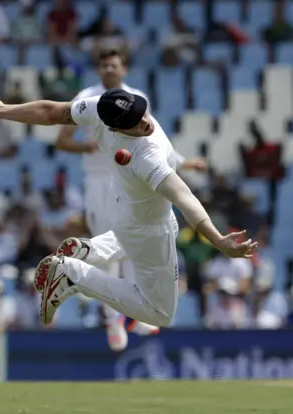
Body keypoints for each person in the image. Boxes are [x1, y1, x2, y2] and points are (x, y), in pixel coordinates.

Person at [0, 88, 258, 330]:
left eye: (143, 112)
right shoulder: (147, 156)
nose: (146, 122)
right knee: (160, 314)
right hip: (147, 228)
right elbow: (186, 199)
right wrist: (218, 239)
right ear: (115, 129)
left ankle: (91, 251)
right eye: (135, 121)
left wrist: (4, 109)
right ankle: (74, 274)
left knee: (154, 226)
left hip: (122, 207)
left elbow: (50, 112)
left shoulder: (100, 108)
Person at [53, 49, 208, 350]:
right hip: (100, 182)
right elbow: (62, 141)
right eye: (103, 64)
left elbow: (154, 141)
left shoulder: (136, 97)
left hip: (130, 181)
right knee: (109, 248)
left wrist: (184, 162)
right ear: (98, 70)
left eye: (114, 64)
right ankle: (113, 321)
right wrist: (90, 148)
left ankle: (137, 312)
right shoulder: (89, 97)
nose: (109, 69)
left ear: (124, 69)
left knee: (138, 246)